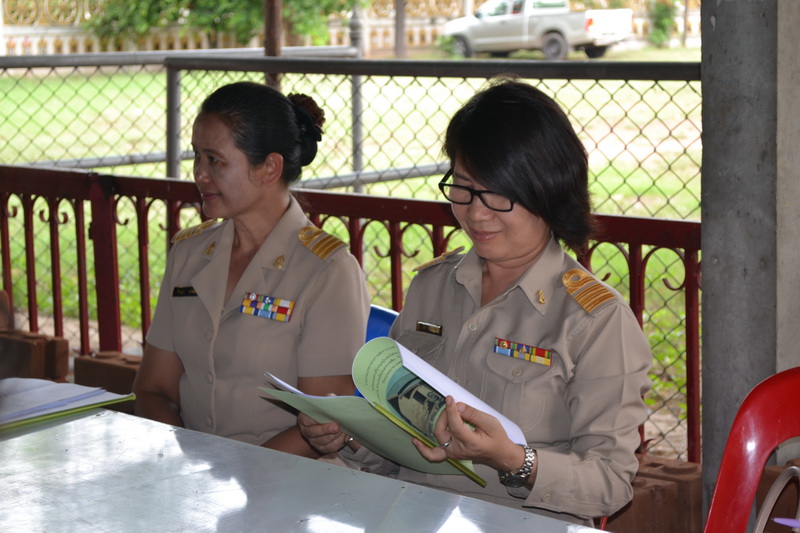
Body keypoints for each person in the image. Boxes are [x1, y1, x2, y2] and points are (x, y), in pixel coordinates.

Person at [297, 78, 652, 524]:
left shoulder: (594, 320)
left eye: (498, 194)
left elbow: (610, 483)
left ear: (548, 190)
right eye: (463, 188)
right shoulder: (432, 288)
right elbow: (400, 449)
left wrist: (513, 460)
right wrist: (348, 436)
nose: (476, 212)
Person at [134, 81, 370, 456]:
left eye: (215, 160)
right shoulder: (189, 254)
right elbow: (153, 389)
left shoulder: (327, 271)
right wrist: (183, 464)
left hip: (287, 479)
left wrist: (232, 476)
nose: (199, 174)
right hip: (191, 470)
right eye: (197, 157)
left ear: (270, 168)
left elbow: (320, 424)